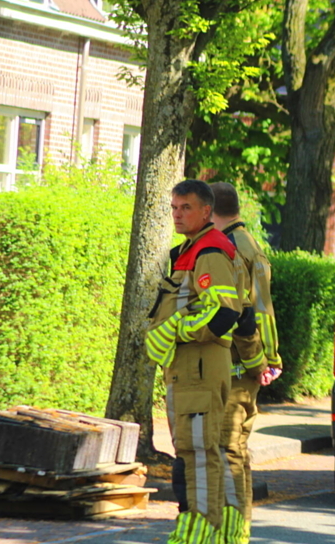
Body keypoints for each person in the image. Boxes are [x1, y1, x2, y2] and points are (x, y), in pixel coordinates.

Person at [145, 179, 261, 544]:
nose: (178, 215)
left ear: (207, 211)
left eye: (187, 208)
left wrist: (178, 329)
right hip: (190, 368)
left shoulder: (209, 251)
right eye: (174, 208)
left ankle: (199, 534)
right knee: (201, 450)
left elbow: (226, 314)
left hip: (198, 366)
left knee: (198, 453)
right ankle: (219, 533)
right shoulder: (195, 248)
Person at [209, 182, 282, 544]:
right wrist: (271, 356)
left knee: (228, 451)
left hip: (235, 368)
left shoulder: (228, 250)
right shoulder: (251, 244)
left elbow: (242, 314)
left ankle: (233, 534)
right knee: (235, 449)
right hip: (247, 368)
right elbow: (264, 309)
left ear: (209, 210)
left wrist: (257, 361)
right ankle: (236, 531)